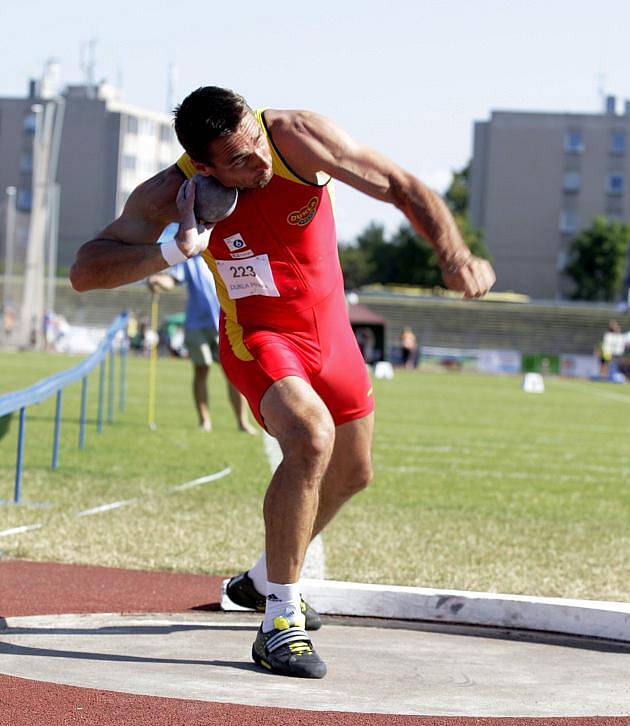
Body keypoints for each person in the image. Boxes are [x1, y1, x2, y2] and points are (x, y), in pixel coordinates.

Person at [70, 86, 495, 679]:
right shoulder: (173, 194)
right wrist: (173, 249)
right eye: (239, 161)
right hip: (262, 337)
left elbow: (398, 182)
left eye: (254, 144)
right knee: (311, 437)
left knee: (354, 472)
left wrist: (453, 253)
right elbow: (86, 271)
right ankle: (279, 622)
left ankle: (262, 579)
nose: (258, 163)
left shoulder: (294, 138)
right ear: (204, 164)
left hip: (334, 337)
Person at [149, 227, 255, 434]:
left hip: (225, 324)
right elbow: (172, 280)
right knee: (201, 370)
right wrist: (158, 281)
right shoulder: (189, 259)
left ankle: (242, 422)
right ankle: (204, 421)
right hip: (197, 325)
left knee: (233, 375)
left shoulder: (223, 252)